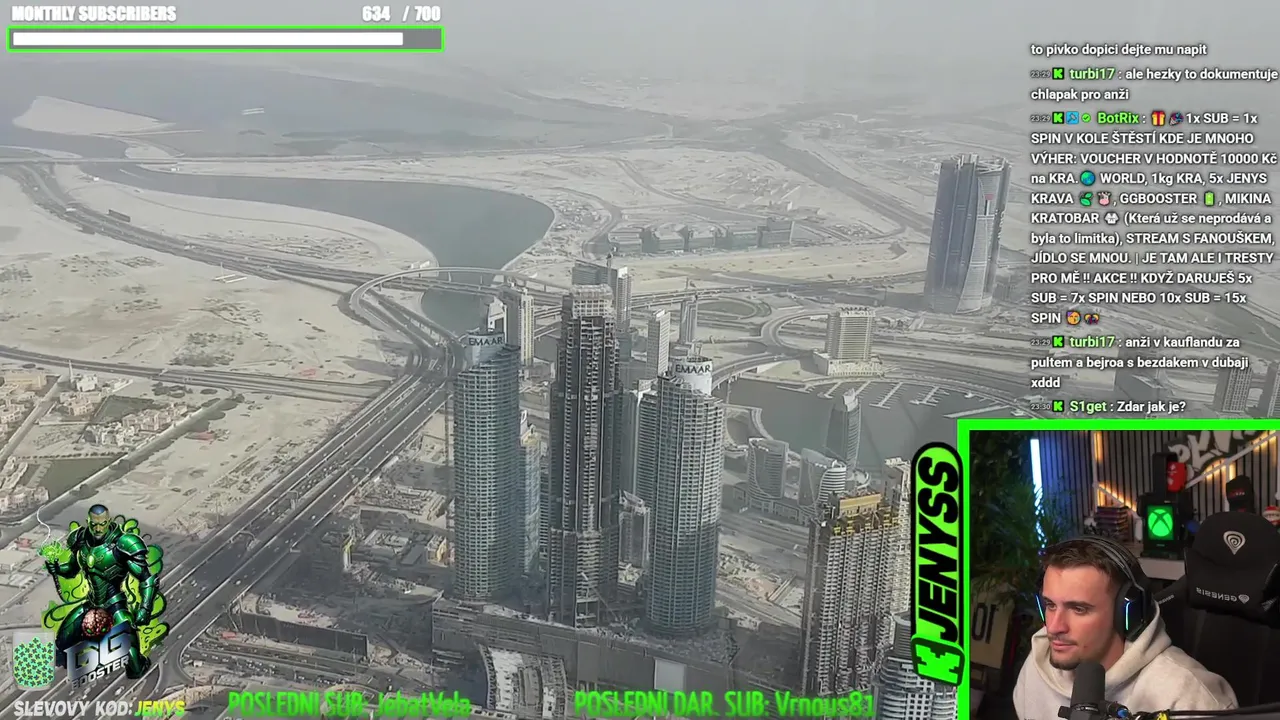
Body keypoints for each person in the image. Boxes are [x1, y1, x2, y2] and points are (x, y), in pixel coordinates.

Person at [1014, 537, 1237, 719]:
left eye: (1079, 609)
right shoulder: (1036, 666)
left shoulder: (1188, 698)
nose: (1054, 627)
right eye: (1050, 605)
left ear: (1127, 613)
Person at [41, 504, 158, 678]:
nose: (98, 529)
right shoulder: (80, 539)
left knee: (132, 657)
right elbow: (72, 570)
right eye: (94, 524)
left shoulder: (123, 544)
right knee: (63, 641)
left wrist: (145, 609)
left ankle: (139, 665)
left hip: (114, 605)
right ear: (88, 521)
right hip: (92, 603)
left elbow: (147, 579)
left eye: (102, 524)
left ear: (108, 521)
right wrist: (58, 569)